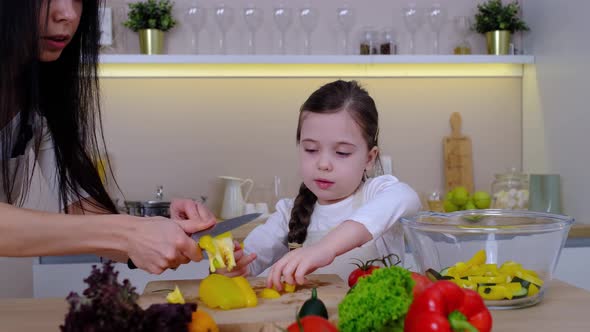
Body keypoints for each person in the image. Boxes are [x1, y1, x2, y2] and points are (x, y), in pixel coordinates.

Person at [0, 0, 215, 274]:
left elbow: (83, 210)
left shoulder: (39, 98)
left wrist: (164, 231)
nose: (68, 14)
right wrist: (127, 232)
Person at [217, 80, 421, 290]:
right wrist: (235, 266)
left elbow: (407, 197)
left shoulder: (375, 194)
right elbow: (250, 259)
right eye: (311, 149)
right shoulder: (287, 213)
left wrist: (326, 248)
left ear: (369, 158)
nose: (323, 164)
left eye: (342, 152)